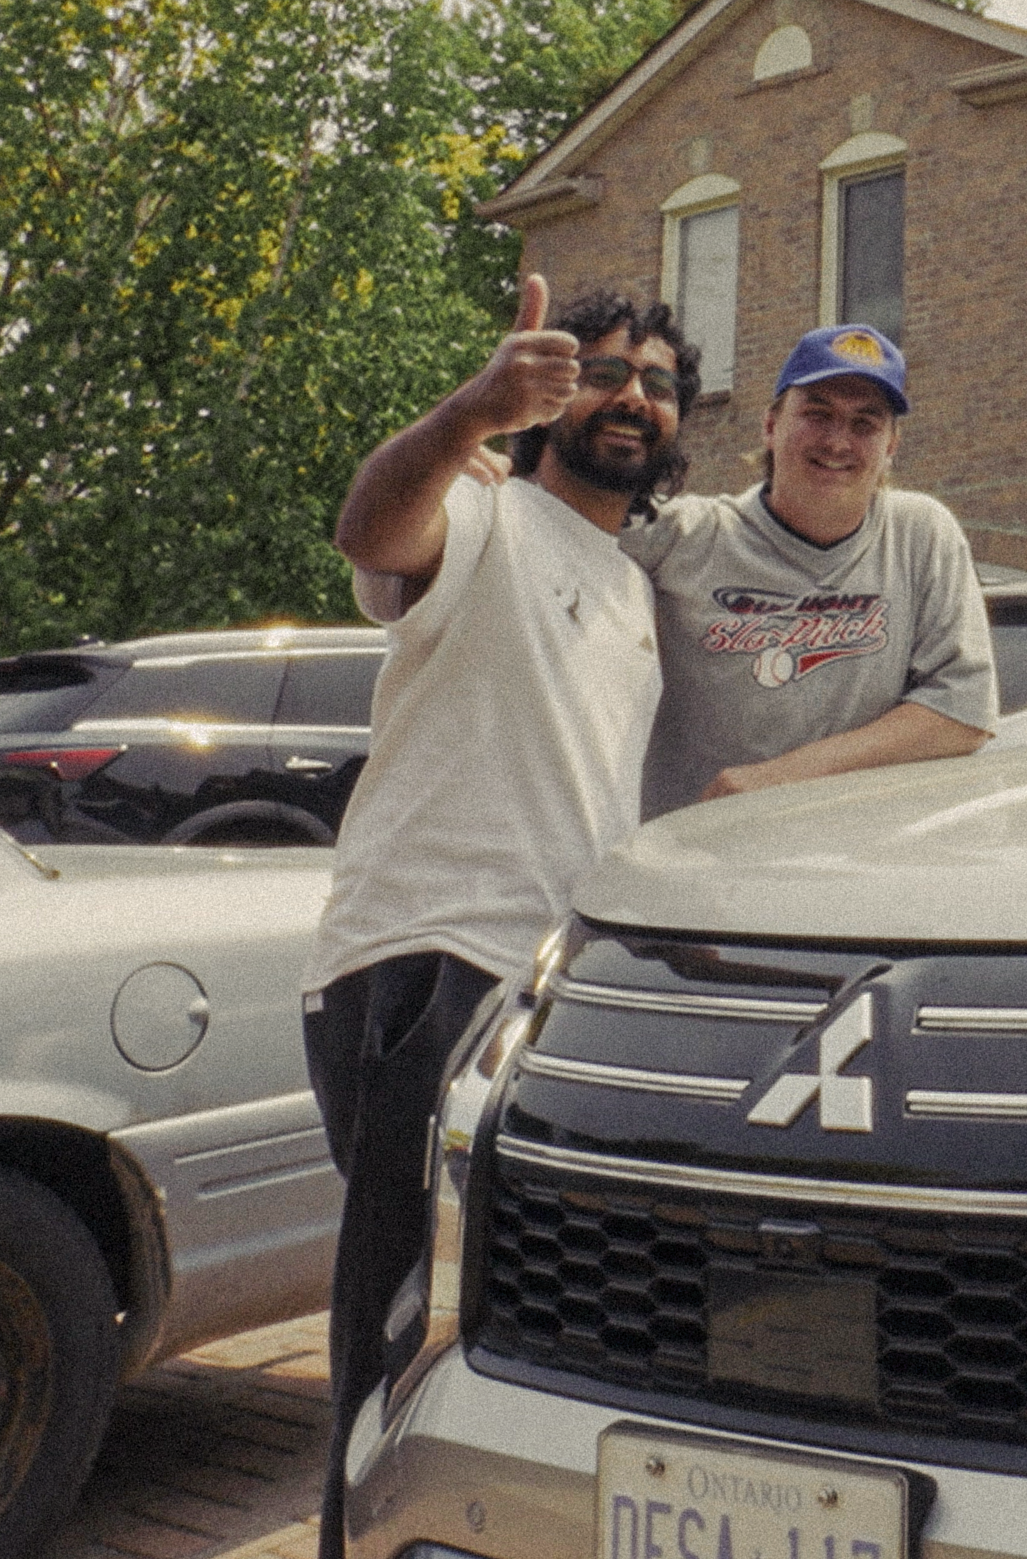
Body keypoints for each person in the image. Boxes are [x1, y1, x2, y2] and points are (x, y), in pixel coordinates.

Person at [308, 277, 695, 1559]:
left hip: (546, 991)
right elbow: (371, 524)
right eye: (601, 368)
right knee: (400, 1342)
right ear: (543, 398)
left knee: (515, 1348)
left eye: (658, 377)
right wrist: (467, 411)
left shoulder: (634, 588)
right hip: (431, 959)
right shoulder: (482, 511)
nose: (632, 391)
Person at [622, 323, 994, 819]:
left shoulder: (920, 534)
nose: (838, 441)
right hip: (699, 858)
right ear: (771, 426)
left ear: (891, 446)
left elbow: (962, 713)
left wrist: (782, 776)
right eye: (817, 414)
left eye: (865, 424)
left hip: (847, 858)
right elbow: (554, 519)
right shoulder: (685, 536)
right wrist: (481, 446)